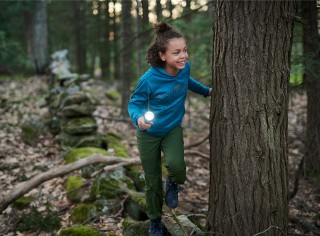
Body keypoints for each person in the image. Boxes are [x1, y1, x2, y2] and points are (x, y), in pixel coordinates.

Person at [128, 22, 211, 236]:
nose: (183, 56)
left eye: (185, 50)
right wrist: (138, 119)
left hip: (172, 128)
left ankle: (173, 183)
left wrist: (206, 91)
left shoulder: (185, 68)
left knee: (177, 166)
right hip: (148, 134)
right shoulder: (149, 79)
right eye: (177, 52)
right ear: (162, 55)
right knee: (152, 181)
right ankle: (155, 221)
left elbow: (187, 82)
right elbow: (134, 103)